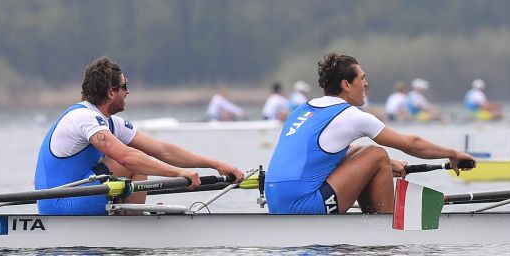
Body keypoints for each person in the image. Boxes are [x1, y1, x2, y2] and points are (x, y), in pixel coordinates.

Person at [265, 53, 475, 214]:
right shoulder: (350, 115)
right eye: (362, 78)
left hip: (275, 203)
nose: (366, 84)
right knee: (376, 154)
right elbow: (412, 144)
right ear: (346, 85)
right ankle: (385, 232)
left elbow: (326, 156)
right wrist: (453, 154)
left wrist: (387, 164)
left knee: (370, 154)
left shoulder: (301, 110)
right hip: (305, 207)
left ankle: (374, 223)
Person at [34, 57, 244, 215]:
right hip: (61, 205)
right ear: (110, 92)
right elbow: (127, 158)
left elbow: (163, 150)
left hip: (79, 193)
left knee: (136, 163)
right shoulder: (84, 118)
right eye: (124, 86)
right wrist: (178, 173)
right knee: (133, 162)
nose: (128, 92)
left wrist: (215, 164)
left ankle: (129, 220)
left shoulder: (110, 122)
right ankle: (133, 226)